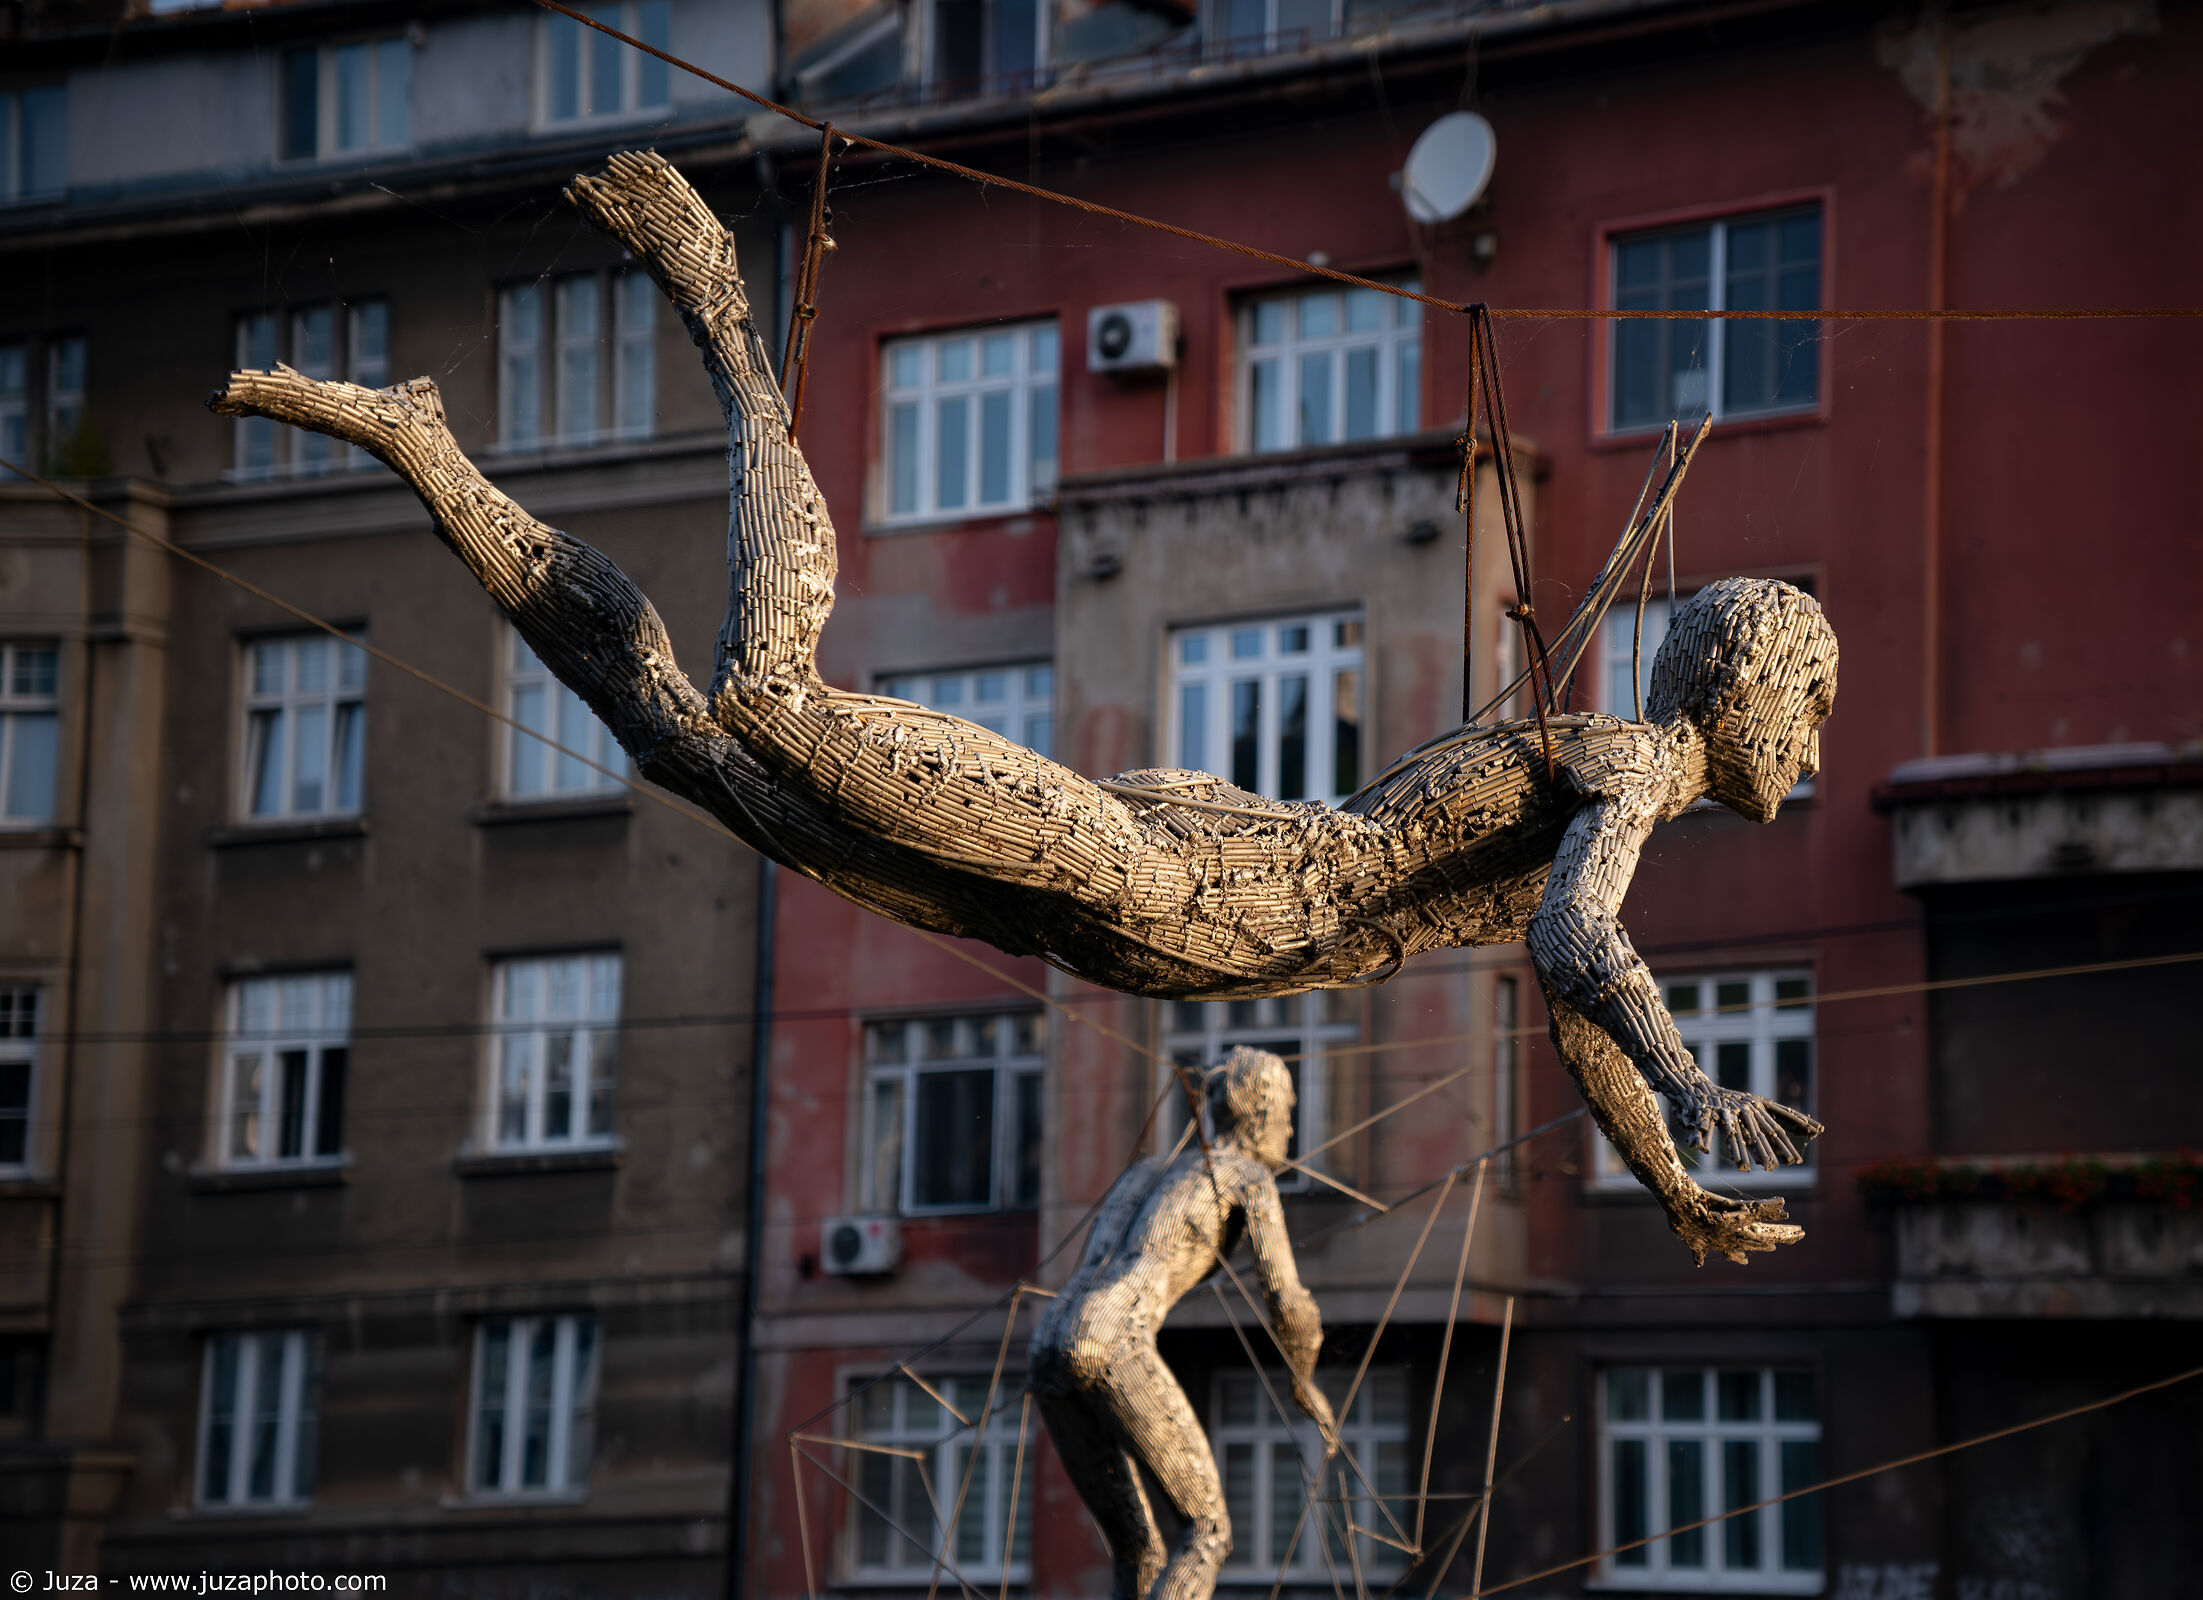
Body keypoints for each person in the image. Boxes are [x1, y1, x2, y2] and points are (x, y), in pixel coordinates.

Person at [210, 151, 1833, 1266]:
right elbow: (1576, 951)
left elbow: (1570, 1011)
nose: (1818, 747)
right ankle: (717, 293)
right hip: (1173, 882)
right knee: (769, 697)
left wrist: (1671, 1178)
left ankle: (428, 447)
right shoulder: (1625, 758)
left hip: (1153, 918)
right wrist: (1694, 1088)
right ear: (1743, 682)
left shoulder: (1615, 788)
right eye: (1813, 706)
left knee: (675, 745)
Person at [1029, 1048, 1334, 1600]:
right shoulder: (1246, 1176)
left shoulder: (1147, 1170)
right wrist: (1302, 1378)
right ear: (1258, 1110)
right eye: (1286, 1110)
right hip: (1114, 1336)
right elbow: (1287, 1301)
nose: (1290, 1126)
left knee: (1138, 1547)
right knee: (1209, 1532)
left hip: (1048, 1338)